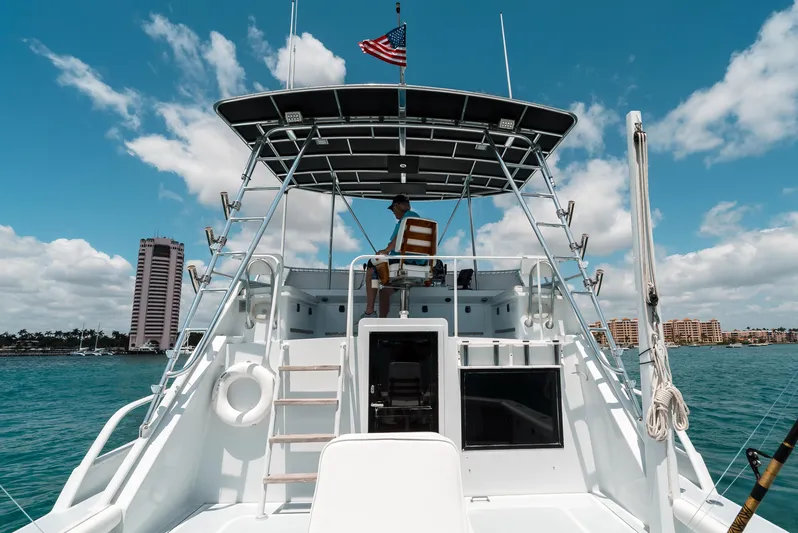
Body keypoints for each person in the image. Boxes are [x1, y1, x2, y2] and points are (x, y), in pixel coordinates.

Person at [359, 194, 420, 320]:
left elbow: (402, 236)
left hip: (404, 261)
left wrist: (386, 251)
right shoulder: (413, 219)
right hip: (417, 263)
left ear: (398, 205)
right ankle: (381, 321)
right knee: (384, 292)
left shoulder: (409, 217)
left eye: (393, 209)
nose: (393, 212)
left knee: (371, 266)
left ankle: (369, 312)